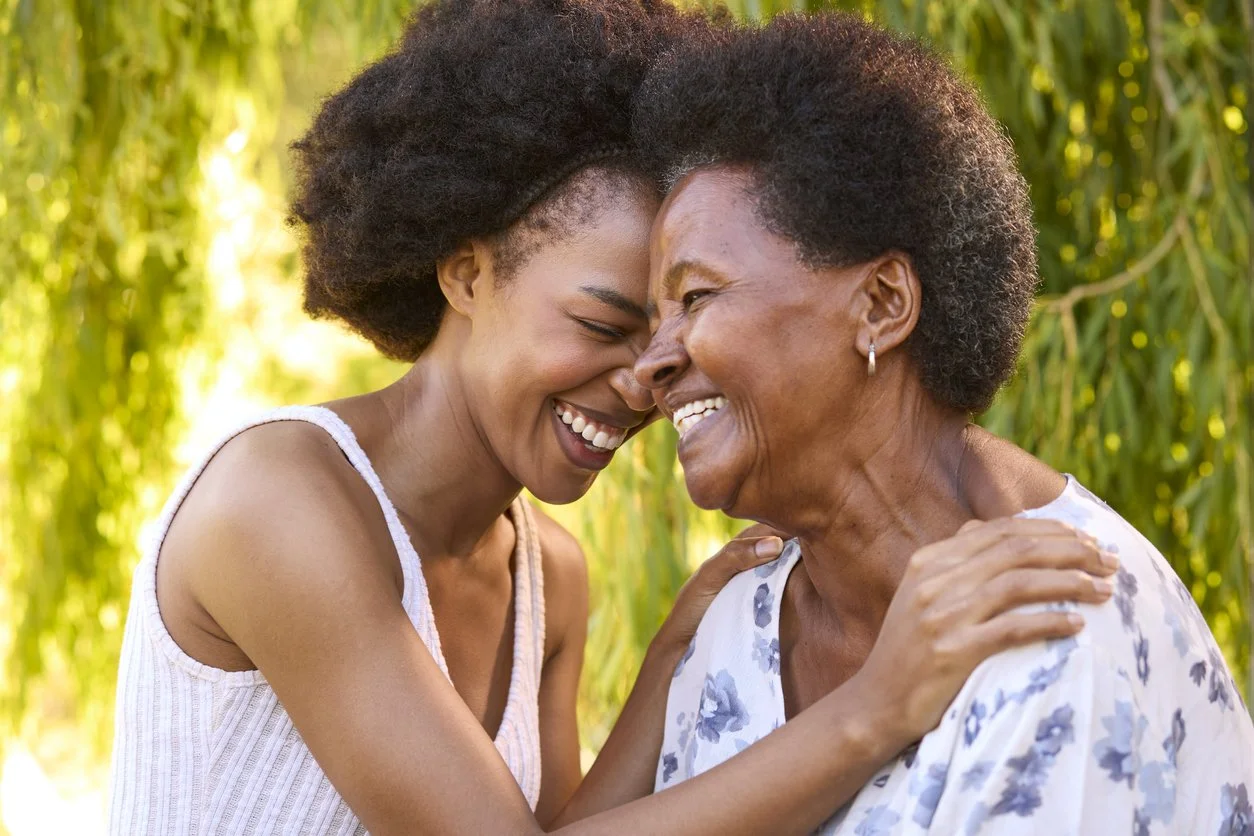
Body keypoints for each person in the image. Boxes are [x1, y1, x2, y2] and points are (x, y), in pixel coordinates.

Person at [108, 2, 1117, 834]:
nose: (650, 377)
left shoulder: (549, 574)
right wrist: (875, 707)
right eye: (605, 320)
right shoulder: (279, 500)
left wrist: (675, 651)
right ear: (467, 272)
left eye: (685, 312)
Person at [633, 11, 1254, 834]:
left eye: (696, 297)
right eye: (649, 318)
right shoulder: (731, 635)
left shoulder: (1058, 614)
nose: (650, 363)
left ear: (882, 305)